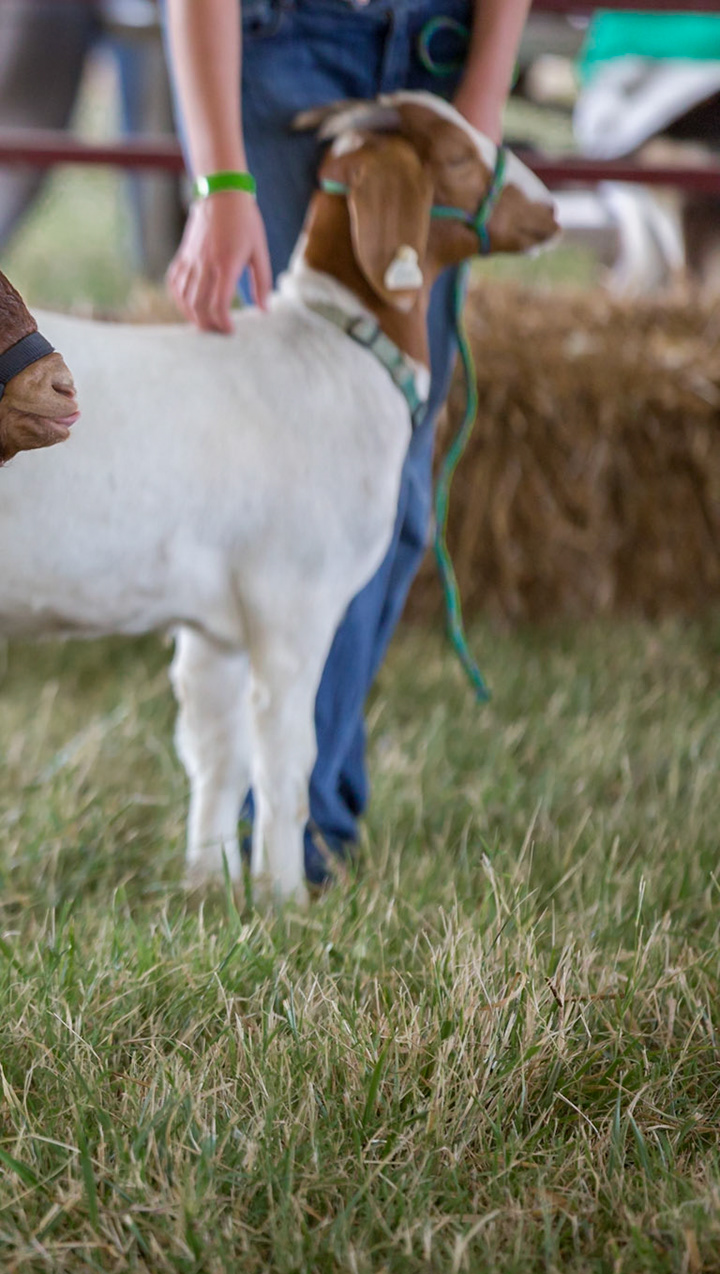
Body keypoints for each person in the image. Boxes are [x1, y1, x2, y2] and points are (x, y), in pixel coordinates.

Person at [163, 0, 530, 884]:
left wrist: (478, 97)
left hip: (437, 52)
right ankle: (285, 823)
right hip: (285, 43)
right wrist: (222, 183)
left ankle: (298, 807)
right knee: (287, 478)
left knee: (392, 484)